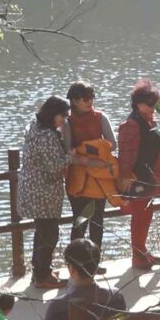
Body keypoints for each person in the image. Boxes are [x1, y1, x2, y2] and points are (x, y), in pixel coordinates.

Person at [20, 97, 73, 288]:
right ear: (52, 114)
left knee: (42, 232)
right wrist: (70, 156)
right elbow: (54, 167)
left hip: (31, 188)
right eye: (62, 116)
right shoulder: (48, 136)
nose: (64, 120)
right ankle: (43, 275)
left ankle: (40, 271)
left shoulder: (34, 127)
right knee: (49, 234)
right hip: (44, 191)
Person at [117, 83, 160, 271]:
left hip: (149, 176)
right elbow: (126, 154)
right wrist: (125, 177)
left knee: (146, 214)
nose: (153, 107)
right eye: (149, 103)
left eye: (155, 103)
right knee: (140, 216)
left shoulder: (148, 121)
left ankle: (142, 250)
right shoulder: (131, 125)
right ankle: (138, 255)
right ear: (138, 104)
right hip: (137, 178)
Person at [64, 79, 118, 257]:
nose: (90, 101)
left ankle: (94, 262)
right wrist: (90, 159)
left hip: (99, 178)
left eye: (92, 97)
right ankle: (75, 262)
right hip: (77, 179)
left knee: (97, 221)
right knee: (79, 222)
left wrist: (88, 150)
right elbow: (67, 153)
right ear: (74, 100)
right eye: (85, 98)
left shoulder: (100, 117)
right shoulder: (67, 122)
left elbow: (112, 144)